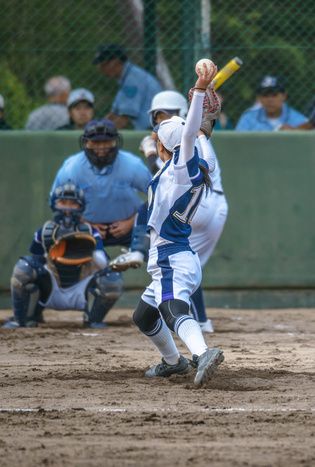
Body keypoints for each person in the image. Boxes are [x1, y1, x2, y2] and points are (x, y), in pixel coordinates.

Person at [131, 62, 223, 388]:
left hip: (174, 256)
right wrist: (199, 129)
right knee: (144, 316)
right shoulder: (178, 167)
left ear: (165, 146)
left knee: (171, 308)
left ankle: (202, 352)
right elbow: (187, 140)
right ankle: (174, 361)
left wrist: (199, 91)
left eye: (157, 138)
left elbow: (185, 138)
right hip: (168, 258)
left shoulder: (183, 169)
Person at [125, 89, 227, 333]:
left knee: (173, 256)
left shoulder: (182, 149)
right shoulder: (199, 143)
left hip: (193, 206)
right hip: (216, 205)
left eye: (167, 115)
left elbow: (161, 174)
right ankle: (201, 320)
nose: (163, 119)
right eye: (160, 116)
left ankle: (137, 250)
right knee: (189, 265)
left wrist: (151, 150)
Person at [2, 182, 123, 329]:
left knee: (112, 278)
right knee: (24, 268)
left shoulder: (90, 231)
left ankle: (93, 318)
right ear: (54, 204)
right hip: (52, 289)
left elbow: (103, 264)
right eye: (63, 203)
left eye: (73, 204)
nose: (67, 209)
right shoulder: (46, 231)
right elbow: (36, 261)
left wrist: (87, 249)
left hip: (81, 288)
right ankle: (24, 317)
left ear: (81, 207)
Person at [51, 119, 152, 269]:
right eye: (95, 142)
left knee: (163, 252)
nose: (101, 147)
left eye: (107, 141)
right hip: (86, 227)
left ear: (115, 141)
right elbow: (56, 202)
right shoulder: (72, 168)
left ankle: (172, 288)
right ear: (85, 143)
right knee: (61, 242)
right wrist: (85, 223)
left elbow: (157, 195)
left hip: (130, 228)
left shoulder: (132, 165)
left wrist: (131, 222)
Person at [93, 43, 163, 130]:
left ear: (114, 62)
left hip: (154, 131)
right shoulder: (127, 76)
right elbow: (114, 114)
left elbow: (122, 120)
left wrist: (100, 134)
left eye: (103, 65)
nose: (101, 69)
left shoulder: (133, 80)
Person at [235, 75, 307, 131]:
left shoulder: (299, 119)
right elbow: (236, 144)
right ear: (259, 98)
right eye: (265, 95)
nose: (270, 100)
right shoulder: (248, 119)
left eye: (274, 95)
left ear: (284, 96)